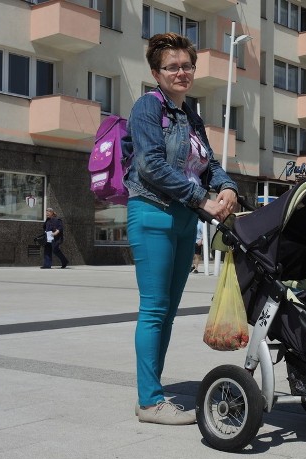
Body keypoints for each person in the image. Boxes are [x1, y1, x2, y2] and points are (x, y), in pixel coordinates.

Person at [122, 33, 238, 425]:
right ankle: (150, 401)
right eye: (172, 66)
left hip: (185, 219)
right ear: (157, 72)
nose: (181, 72)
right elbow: (150, 166)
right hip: (153, 214)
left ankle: (152, 391)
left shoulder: (190, 115)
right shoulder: (146, 108)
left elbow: (209, 163)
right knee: (154, 309)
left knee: (168, 311)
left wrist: (226, 188)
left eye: (187, 65)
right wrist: (201, 198)